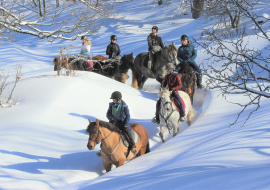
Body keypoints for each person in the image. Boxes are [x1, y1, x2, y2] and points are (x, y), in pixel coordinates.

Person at [96, 91, 137, 157]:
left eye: (114, 99)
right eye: (113, 99)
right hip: (113, 123)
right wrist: (111, 119)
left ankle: (133, 146)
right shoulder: (111, 105)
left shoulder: (124, 106)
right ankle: (101, 149)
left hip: (123, 123)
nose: (113, 100)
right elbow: (108, 114)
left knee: (127, 132)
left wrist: (126, 124)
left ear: (118, 99)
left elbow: (128, 116)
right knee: (105, 133)